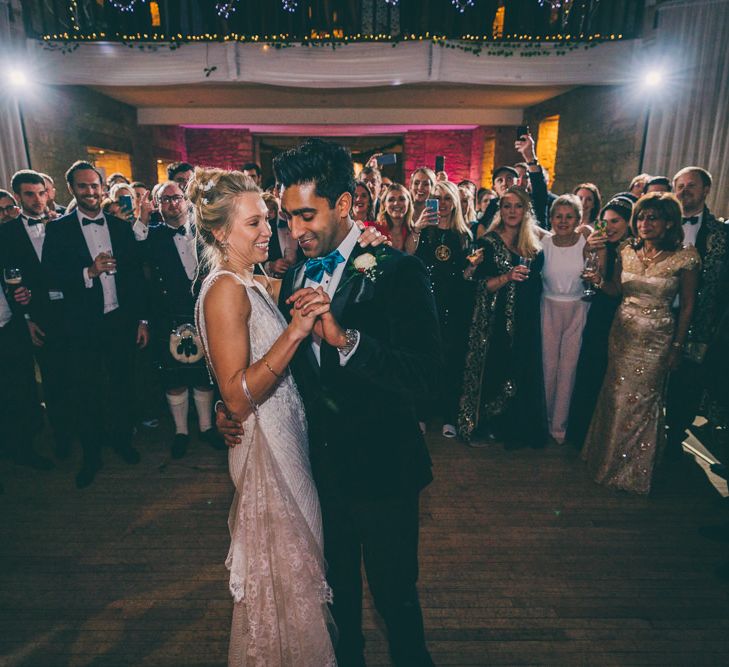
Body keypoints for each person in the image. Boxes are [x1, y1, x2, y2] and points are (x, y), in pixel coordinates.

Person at [218, 138, 441, 666]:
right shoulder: (295, 274)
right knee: (333, 603)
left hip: (385, 472)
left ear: (344, 205)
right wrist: (237, 410)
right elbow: (288, 373)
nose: (294, 231)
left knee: (395, 600)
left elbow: (430, 378)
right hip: (317, 475)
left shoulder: (400, 271)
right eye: (287, 217)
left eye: (306, 215)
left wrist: (348, 341)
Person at [192, 167, 337, 665]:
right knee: (284, 579)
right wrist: (295, 332)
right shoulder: (225, 289)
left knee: (293, 577)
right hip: (266, 449)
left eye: (266, 221)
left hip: (285, 434)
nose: (267, 233)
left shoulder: (248, 281)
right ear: (218, 231)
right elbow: (236, 398)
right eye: (252, 223)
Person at [581, 193, 700, 495]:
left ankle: (633, 471)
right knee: (614, 395)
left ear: (669, 222)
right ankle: (603, 460)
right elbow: (615, 290)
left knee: (643, 401)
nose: (645, 223)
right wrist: (597, 280)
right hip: (622, 332)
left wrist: (676, 347)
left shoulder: (685, 256)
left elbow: (687, 306)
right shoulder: (627, 250)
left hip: (657, 338)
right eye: (642, 217)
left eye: (653, 217)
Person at [42, 160, 149, 489]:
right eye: (83, 186)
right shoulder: (58, 230)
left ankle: (121, 441)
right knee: (86, 390)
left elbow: (135, 278)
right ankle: (91, 456)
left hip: (119, 320)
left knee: (121, 384)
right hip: (82, 325)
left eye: (95, 185)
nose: (90, 192)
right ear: (72, 189)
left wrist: (142, 320)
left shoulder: (119, 227)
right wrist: (88, 273)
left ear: (103, 188)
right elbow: (50, 278)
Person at [459, 186, 547, 449]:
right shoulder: (488, 242)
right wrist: (507, 277)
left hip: (526, 318)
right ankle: (485, 426)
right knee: (496, 369)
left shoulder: (534, 244)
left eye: (517, 206)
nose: (511, 211)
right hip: (494, 321)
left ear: (525, 210)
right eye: (506, 206)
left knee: (521, 368)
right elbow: (476, 284)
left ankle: (515, 428)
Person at [138, 180, 220, 458]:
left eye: (177, 198)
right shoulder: (151, 235)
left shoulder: (206, 231)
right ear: (158, 206)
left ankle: (207, 428)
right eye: (165, 199)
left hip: (205, 310)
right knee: (174, 376)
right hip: (168, 315)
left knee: (204, 375)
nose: (172, 203)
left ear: (186, 200)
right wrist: (142, 217)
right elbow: (134, 252)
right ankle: (181, 432)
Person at [2, 170, 75, 459]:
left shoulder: (65, 225)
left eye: (41, 192)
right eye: (29, 194)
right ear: (18, 198)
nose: (37, 199)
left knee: (78, 374)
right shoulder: (6, 234)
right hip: (37, 318)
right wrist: (25, 314)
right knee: (52, 378)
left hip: (71, 312)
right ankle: (61, 436)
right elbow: (7, 280)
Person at [666, 166, 729, 458]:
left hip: (701, 321)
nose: (684, 191)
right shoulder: (660, 226)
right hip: (660, 314)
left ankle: (675, 435)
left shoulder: (722, 234)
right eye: (679, 186)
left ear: (706, 191)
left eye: (691, 186)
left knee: (687, 382)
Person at [566, 196, 634, 447]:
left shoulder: (636, 249)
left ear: (629, 222)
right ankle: (583, 433)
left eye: (615, 221)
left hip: (628, 317)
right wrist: (593, 250)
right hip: (600, 313)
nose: (609, 227)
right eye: (604, 222)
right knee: (592, 370)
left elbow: (619, 289)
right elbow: (591, 279)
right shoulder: (603, 245)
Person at [408, 180, 473, 438]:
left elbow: (465, 274)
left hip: (454, 305)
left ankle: (449, 416)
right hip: (426, 304)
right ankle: (421, 413)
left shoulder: (464, 235)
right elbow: (409, 258)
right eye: (437, 198)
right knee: (424, 358)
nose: (442, 204)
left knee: (451, 360)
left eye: (447, 198)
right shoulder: (425, 232)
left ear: (455, 202)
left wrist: (471, 269)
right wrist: (417, 228)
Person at [540, 194, 591, 444]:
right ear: (550, 218)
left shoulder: (586, 242)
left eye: (569, 216)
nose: (563, 221)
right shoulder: (543, 242)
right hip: (548, 306)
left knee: (568, 368)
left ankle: (559, 426)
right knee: (547, 366)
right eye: (558, 216)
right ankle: (543, 420)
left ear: (578, 219)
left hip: (577, 307)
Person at [0, 257, 53, 470]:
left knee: (20, 391)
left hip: (10, 329)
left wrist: (25, 315)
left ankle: (24, 450)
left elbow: (11, 290)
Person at [375, 182, 413, 251]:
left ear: (409, 203)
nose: (396, 203)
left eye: (401, 199)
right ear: (384, 204)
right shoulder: (374, 230)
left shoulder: (414, 231)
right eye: (391, 200)